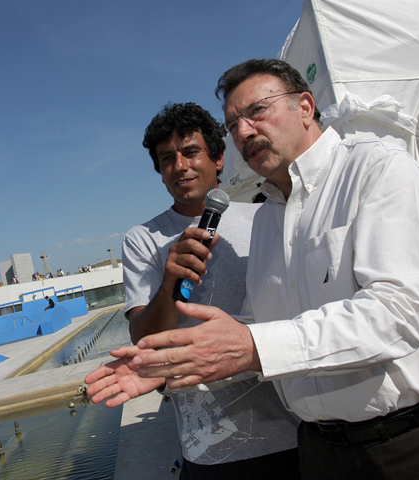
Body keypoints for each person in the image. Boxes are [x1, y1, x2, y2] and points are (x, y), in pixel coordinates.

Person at [110, 59, 419, 479]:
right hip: (318, 448)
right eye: (233, 124)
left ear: (305, 107)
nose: (245, 132)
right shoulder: (272, 217)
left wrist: (250, 345)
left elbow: (397, 315)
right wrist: (173, 361)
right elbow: (273, 323)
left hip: (408, 446)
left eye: (257, 111)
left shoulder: (378, 170)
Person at [86, 102, 299, 479]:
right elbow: (145, 339)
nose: (180, 166)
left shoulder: (267, 218)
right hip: (210, 449)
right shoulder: (143, 240)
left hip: (296, 431)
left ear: (218, 159)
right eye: (167, 158)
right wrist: (170, 280)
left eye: (191, 152)